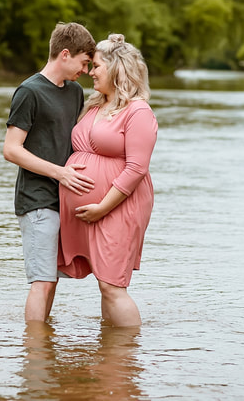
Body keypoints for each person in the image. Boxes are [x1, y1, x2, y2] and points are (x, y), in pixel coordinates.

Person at [58, 33, 158, 327]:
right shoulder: (95, 105)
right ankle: (110, 355)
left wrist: (102, 206)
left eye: (97, 66)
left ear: (117, 69)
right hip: (94, 209)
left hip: (119, 205)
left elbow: (137, 169)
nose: (90, 72)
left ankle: (127, 357)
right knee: (105, 284)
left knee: (113, 285)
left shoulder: (138, 111)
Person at [3, 22, 97, 323]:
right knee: (41, 281)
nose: (85, 70)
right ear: (65, 54)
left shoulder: (75, 93)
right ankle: (35, 359)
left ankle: (45, 353)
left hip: (64, 199)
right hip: (36, 199)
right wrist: (60, 173)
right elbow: (12, 150)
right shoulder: (29, 92)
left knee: (52, 280)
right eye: (84, 62)